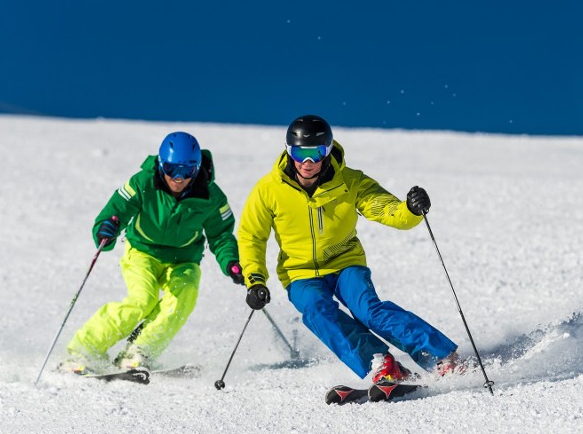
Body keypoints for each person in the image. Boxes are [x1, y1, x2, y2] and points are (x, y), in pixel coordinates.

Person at [237, 115, 461, 384]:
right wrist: (255, 279)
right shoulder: (268, 190)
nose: (307, 162)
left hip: (345, 263)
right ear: (289, 151)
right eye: (300, 153)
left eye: (316, 153)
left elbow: (385, 208)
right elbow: (251, 237)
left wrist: (410, 210)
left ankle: (439, 357)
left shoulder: (350, 181)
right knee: (317, 311)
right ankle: (381, 363)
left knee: (368, 310)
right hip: (300, 273)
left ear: (328, 151)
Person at [62, 131, 244, 373]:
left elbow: (221, 235)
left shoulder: (212, 196)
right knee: (142, 300)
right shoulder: (143, 182)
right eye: (171, 169)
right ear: (161, 164)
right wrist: (108, 225)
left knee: (182, 299)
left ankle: (139, 350)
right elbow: (118, 208)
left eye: (187, 171)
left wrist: (230, 261)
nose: (178, 178)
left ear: (197, 168)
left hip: (184, 260)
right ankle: (84, 348)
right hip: (142, 252)